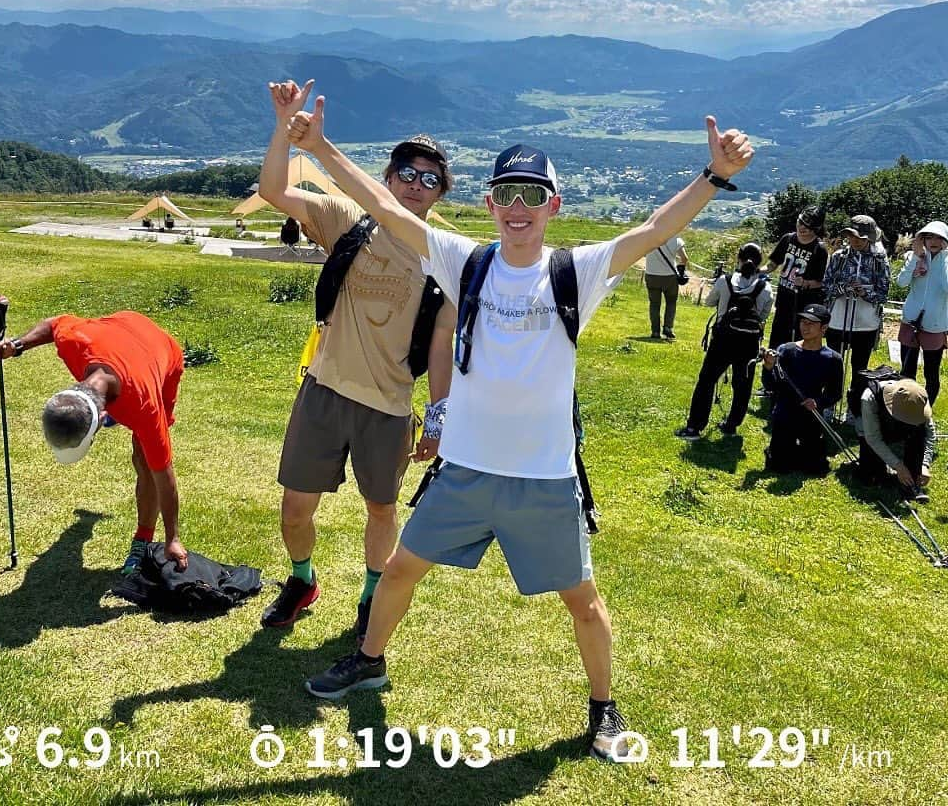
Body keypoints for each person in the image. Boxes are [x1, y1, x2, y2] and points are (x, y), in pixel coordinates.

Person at [288, 89, 753, 763]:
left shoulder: (576, 271)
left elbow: (652, 231)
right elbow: (386, 208)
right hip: (466, 472)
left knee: (584, 604)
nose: (518, 208)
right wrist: (319, 149)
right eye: (507, 193)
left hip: (544, 480)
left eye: (534, 196)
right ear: (489, 204)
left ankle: (604, 709)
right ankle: (369, 660)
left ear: (553, 207)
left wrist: (713, 177)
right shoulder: (463, 260)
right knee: (398, 572)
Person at [257, 79, 455, 643]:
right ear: (387, 178)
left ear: (440, 192)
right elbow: (274, 189)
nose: (416, 186)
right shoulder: (349, 218)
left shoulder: (443, 254)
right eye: (406, 174)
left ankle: (372, 595)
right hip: (324, 389)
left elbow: (443, 345)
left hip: (389, 406)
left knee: (382, 509)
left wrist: (438, 420)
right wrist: (283, 126)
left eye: (430, 179)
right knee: (296, 508)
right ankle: (302, 580)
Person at [0, 308, 189, 574]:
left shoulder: (145, 408)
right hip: (117, 329)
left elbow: (163, 474)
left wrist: (172, 538)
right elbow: (53, 323)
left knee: (144, 458)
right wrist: (14, 346)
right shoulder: (76, 343)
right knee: (139, 436)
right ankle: (117, 415)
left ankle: (143, 538)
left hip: (162, 353)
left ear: (101, 417)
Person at [675, 242, 773, 440]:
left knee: (707, 381)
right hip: (749, 343)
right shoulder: (766, 287)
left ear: (739, 258)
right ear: (759, 262)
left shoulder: (724, 280)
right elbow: (763, 316)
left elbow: (708, 301)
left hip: (722, 339)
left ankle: (694, 427)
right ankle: (731, 425)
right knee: (743, 385)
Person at [761, 305, 843, 475]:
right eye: (803, 322)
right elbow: (771, 386)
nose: (805, 327)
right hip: (785, 413)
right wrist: (768, 367)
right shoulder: (786, 350)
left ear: (824, 328)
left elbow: (835, 393)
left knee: (814, 468)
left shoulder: (833, 359)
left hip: (811, 416)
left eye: (811, 323)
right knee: (779, 466)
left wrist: (818, 402)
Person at [822, 214, 890, 414]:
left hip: (867, 323)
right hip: (837, 320)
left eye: (860, 237)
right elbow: (826, 286)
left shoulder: (879, 258)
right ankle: (829, 405)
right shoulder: (839, 256)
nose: (855, 241)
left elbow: (883, 292)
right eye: (851, 236)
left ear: (870, 237)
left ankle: (854, 410)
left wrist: (865, 292)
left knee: (860, 368)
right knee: (834, 364)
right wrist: (843, 289)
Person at [897, 221, 948, 407]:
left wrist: (941, 257)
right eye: (928, 237)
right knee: (906, 370)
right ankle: (905, 410)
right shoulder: (913, 257)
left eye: (939, 237)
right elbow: (901, 282)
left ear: (946, 240)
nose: (933, 241)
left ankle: (925, 413)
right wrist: (915, 258)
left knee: (931, 374)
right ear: (922, 239)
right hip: (910, 321)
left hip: (935, 325)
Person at [761, 209, 828, 395]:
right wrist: (758, 272)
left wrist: (806, 283)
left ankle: (790, 383)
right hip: (783, 300)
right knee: (776, 341)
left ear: (816, 229)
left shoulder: (819, 249)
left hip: (802, 306)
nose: (802, 229)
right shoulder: (788, 239)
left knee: (796, 345)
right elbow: (773, 264)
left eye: (808, 227)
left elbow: (821, 281)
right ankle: (769, 383)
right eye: (800, 223)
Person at [855, 375, 935, 503]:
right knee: (870, 477)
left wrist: (924, 464)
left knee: (919, 434)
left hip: (898, 429)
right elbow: (873, 438)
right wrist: (898, 465)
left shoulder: (919, 399)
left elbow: (929, 434)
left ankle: (911, 481)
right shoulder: (869, 397)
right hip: (871, 429)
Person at [643, 233, 688, 339]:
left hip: (652, 274)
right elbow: (684, 258)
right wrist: (681, 269)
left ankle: (655, 331)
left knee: (654, 304)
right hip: (669, 277)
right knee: (671, 303)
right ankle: (668, 327)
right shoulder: (676, 239)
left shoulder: (649, 237)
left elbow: (642, 253)